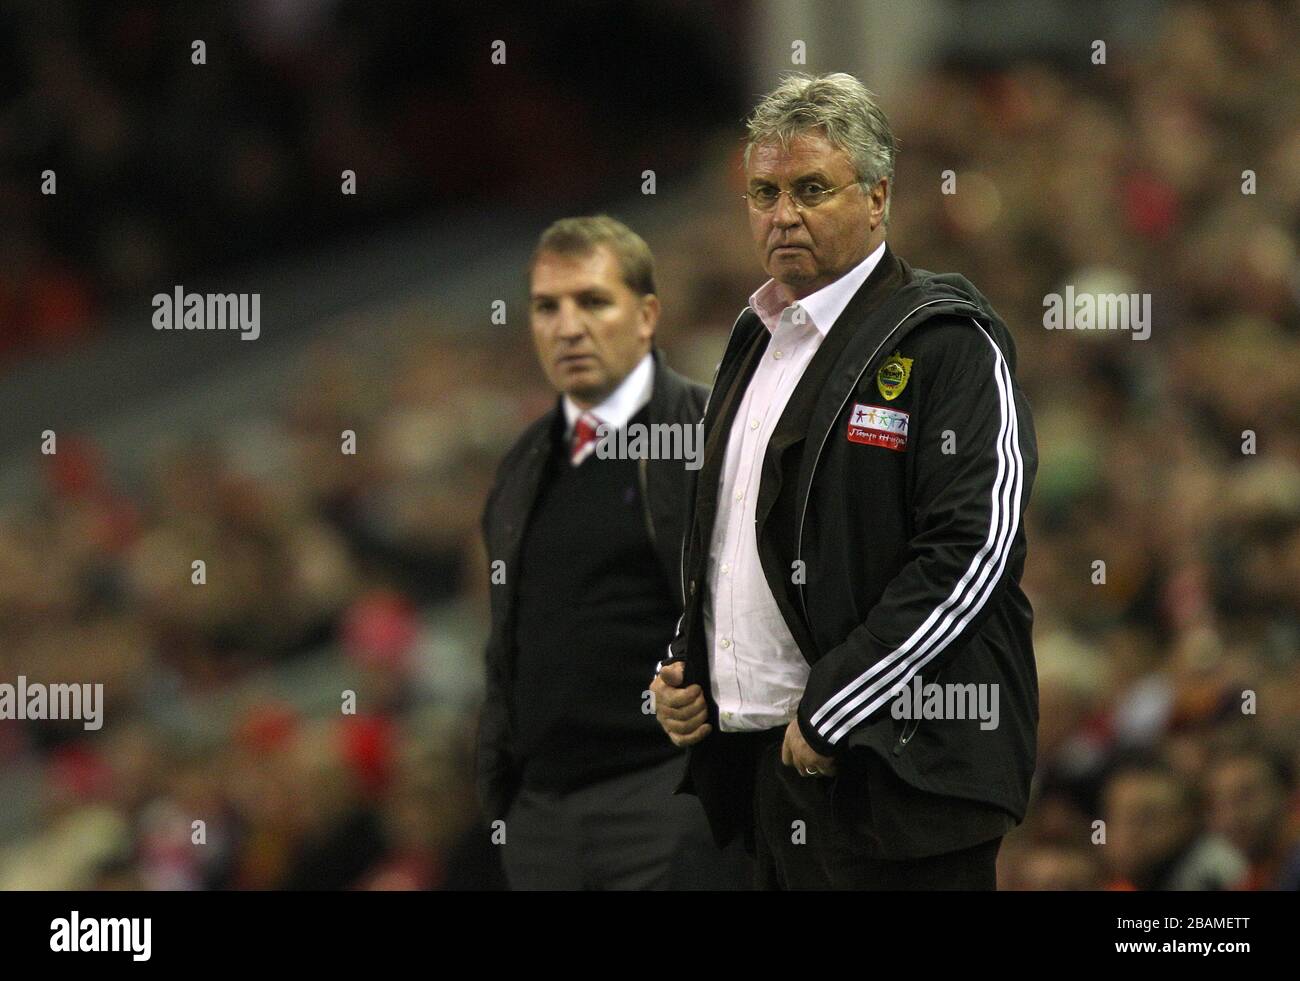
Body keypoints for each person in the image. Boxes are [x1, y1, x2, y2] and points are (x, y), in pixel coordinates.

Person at [651, 72, 1039, 889]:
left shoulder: (946, 340)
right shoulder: (754, 341)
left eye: (811, 189)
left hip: (903, 781)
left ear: (878, 197)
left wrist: (839, 702)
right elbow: (732, 540)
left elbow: (974, 550)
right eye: (764, 191)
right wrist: (687, 660)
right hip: (771, 775)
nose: (782, 214)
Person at [477, 215, 749, 889]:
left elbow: (755, 610)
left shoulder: (709, 432)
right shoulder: (521, 465)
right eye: (547, 306)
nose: (567, 326)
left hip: (666, 793)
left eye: (592, 301)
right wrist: (502, 784)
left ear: (647, 313)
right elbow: (507, 635)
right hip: (543, 817)